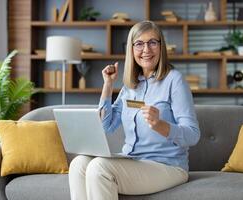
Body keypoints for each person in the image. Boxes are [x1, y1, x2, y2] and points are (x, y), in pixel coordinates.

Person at [69, 20, 200, 200]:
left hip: (167, 166)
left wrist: (160, 125)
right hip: (133, 160)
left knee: (99, 167)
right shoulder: (131, 85)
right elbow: (107, 125)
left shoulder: (174, 80)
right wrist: (108, 85)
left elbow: (193, 135)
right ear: (131, 49)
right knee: (79, 163)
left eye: (153, 42)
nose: (146, 50)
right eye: (139, 44)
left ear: (161, 47)